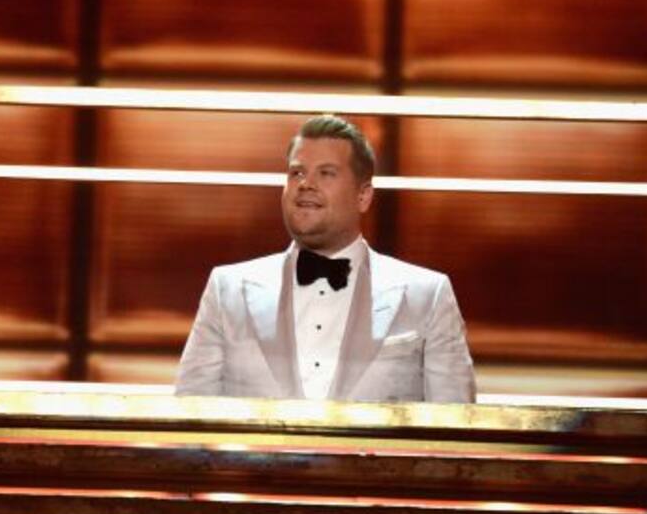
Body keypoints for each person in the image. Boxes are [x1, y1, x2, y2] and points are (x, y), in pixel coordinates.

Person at [174, 115, 476, 403]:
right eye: (297, 172)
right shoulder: (226, 291)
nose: (306, 183)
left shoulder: (429, 296)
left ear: (363, 196)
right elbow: (189, 419)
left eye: (326, 173)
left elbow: (456, 427)